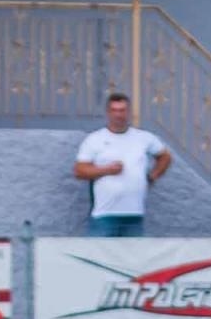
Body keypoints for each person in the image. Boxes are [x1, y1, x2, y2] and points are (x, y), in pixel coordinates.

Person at [72, 93, 171, 238]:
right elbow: (79, 171)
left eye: (122, 110)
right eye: (115, 110)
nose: (119, 115)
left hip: (134, 215)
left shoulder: (144, 137)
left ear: (129, 112)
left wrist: (152, 177)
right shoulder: (94, 139)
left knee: (134, 260)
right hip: (104, 215)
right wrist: (106, 170)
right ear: (108, 113)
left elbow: (165, 157)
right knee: (97, 257)